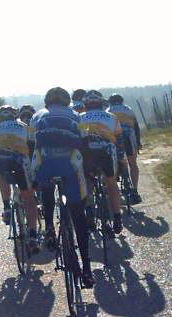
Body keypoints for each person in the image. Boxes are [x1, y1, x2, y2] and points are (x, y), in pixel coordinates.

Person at [31, 86, 94, 288]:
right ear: (67, 102)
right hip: (70, 164)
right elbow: (85, 144)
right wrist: (88, 172)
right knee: (78, 216)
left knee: (47, 189)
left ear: (47, 102)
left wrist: (33, 178)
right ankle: (86, 270)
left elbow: (30, 146)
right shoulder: (77, 115)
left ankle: (49, 227)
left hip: (45, 163)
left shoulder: (36, 116)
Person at [0, 105, 40, 254]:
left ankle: (6, 207)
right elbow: (32, 150)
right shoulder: (24, 127)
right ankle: (33, 235)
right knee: (29, 199)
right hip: (20, 162)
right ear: (15, 116)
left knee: (1, 174)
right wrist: (34, 176)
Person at [79, 90, 125, 234]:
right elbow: (119, 139)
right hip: (107, 151)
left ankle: (90, 212)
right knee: (111, 183)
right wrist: (121, 158)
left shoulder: (78, 117)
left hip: (88, 153)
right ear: (101, 103)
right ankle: (117, 218)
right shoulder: (112, 117)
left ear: (85, 105)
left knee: (86, 180)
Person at [107, 94, 142, 203]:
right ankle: (135, 190)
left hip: (116, 137)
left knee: (114, 161)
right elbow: (136, 127)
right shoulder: (128, 109)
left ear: (110, 102)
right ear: (122, 101)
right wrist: (138, 142)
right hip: (130, 136)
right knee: (133, 164)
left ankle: (116, 178)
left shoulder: (108, 110)